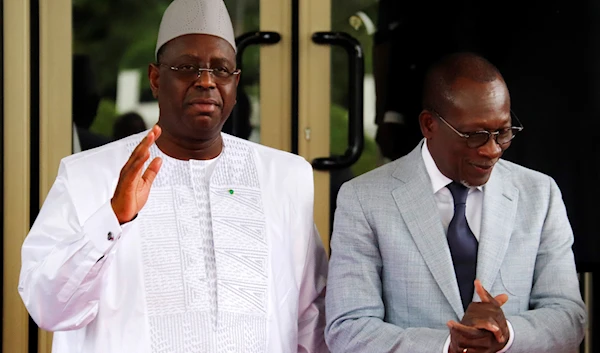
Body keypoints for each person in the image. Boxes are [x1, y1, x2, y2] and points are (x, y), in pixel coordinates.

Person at [18, 0, 328, 352]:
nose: (206, 81)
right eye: (187, 67)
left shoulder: (284, 179)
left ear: (235, 83)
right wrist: (113, 218)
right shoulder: (88, 176)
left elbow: (312, 319)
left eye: (221, 69)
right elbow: (47, 307)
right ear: (155, 78)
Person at [325, 52, 586, 353]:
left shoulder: (540, 194)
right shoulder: (363, 199)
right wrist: (447, 345)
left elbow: (569, 316)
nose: (492, 150)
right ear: (429, 125)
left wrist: (507, 334)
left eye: (502, 132)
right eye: (475, 135)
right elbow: (349, 328)